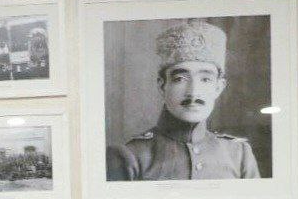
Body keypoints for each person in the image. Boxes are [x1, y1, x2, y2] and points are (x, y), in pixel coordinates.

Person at [107, 20, 260, 182]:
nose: (193, 92)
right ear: (162, 85)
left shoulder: (239, 154)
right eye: (180, 79)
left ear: (218, 87)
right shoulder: (130, 156)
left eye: (205, 79)